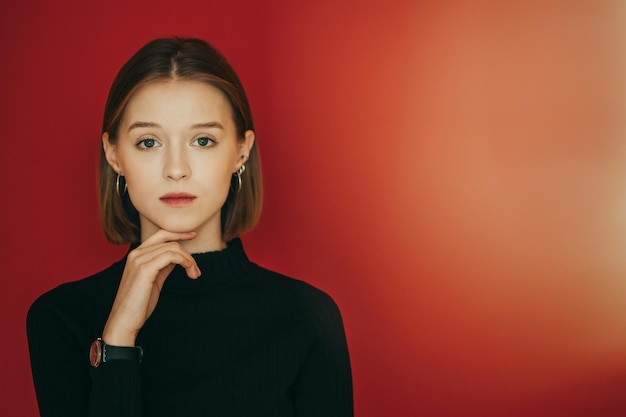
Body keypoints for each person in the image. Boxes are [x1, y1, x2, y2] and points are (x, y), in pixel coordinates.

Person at [26, 37, 353, 417]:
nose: (176, 168)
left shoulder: (306, 317)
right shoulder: (61, 318)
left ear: (241, 152)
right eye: (149, 142)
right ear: (114, 155)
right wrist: (117, 343)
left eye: (203, 140)